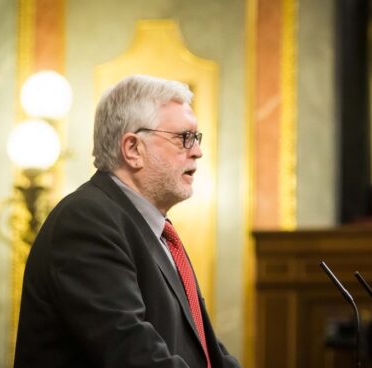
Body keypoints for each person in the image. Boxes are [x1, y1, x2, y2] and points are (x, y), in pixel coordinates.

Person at [14, 75, 241, 368]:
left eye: (196, 138)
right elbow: (133, 354)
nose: (197, 150)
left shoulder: (155, 231)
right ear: (133, 149)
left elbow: (208, 352)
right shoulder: (87, 221)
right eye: (184, 137)